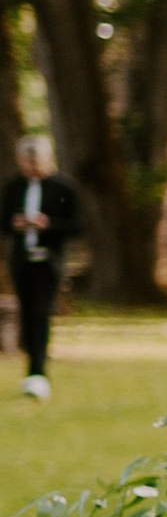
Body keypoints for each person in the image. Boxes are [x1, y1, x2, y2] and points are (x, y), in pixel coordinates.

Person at [7, 134, 79, 398]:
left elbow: (76, 226)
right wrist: (15, 224)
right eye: (26, 163)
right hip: (22, 259)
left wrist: (48, 225)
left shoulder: (63, 188)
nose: (31, 168)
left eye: (36, 162)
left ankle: (38, 372)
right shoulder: (13, 187)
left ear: (48, 160)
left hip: (49, 260)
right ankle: (31, 365)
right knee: (26, 313)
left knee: (41, 312)